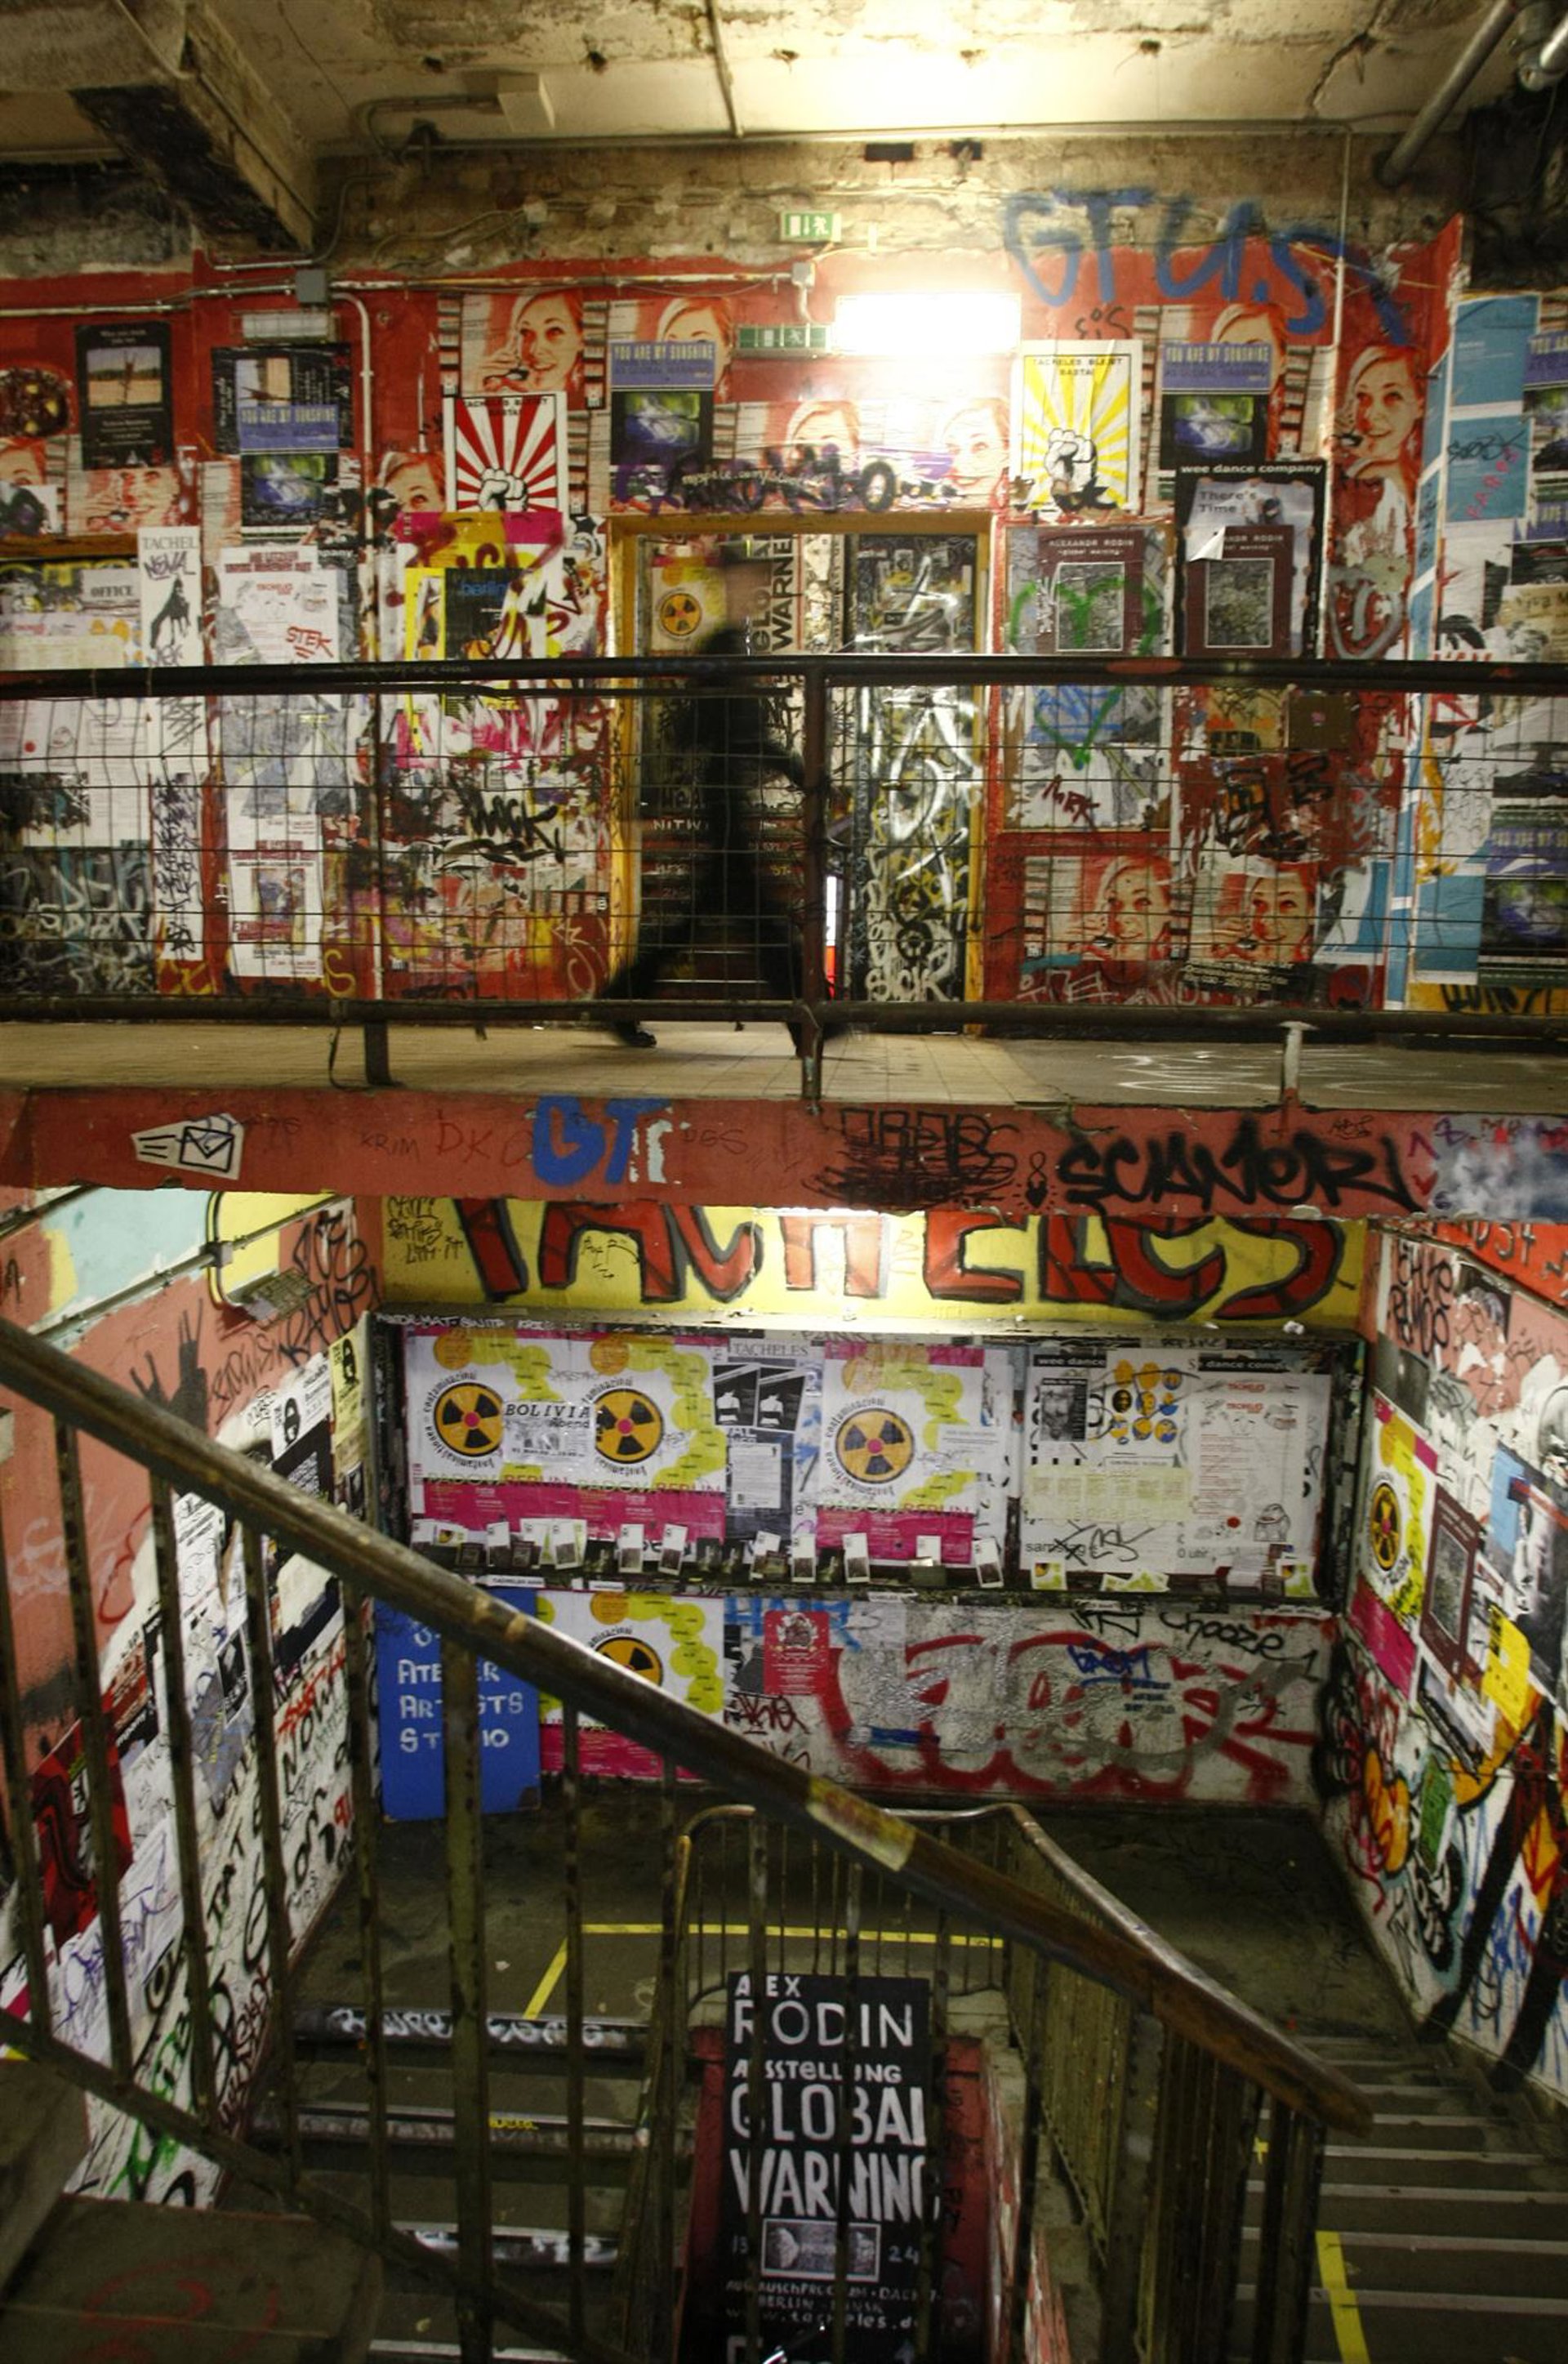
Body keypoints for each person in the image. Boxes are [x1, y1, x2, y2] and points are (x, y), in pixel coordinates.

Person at [598, 540, 821, 1051]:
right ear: (730, 582)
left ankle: (620, 998)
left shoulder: (733, 644)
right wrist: (793, 766)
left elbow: (710, 726)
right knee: (759, 919)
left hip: (723, 796)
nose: (758, 589)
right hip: (722, 799)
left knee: (712, 917)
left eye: (760, 580)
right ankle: (812, 1019)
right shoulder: (725, 646)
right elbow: (727, 728)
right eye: (750, 579)